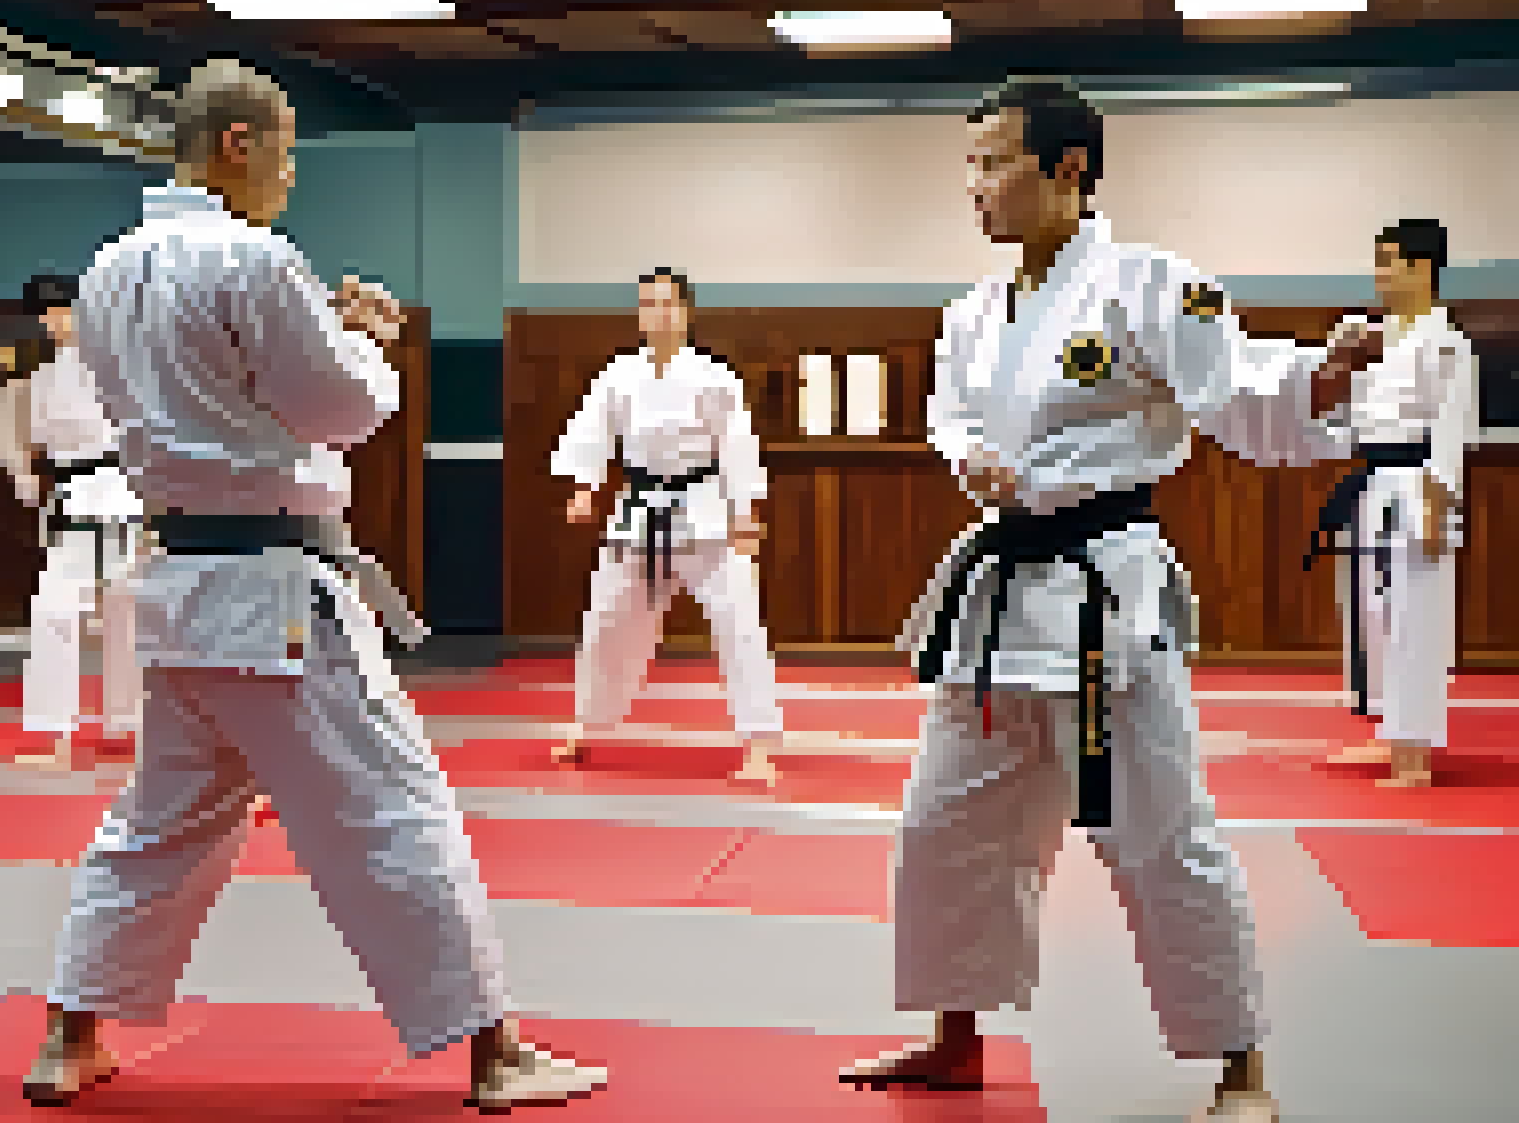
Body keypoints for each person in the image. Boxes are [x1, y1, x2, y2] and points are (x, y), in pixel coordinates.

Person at [22, 57, 605, 1111]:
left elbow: (222, 394)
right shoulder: (253, 258)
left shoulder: (105, 271)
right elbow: (339, 408)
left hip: (178, 592)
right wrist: (371, 342)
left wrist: (313, 332)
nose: (290, 180)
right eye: (286, 155)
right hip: (273, 596)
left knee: (159, 822)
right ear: (238, 145)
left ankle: (70, 1035)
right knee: (397, 813)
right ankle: (496, 1050)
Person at [841, 78, 1393, 1122]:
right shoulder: (971, 313)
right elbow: (950, 417)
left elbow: (1236, 389)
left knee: (1157, 833)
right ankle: (954, 1034)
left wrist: (1321, 377)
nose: (977, 186)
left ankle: (1241, 1066)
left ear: (1069, 168)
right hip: (999, 596)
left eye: (995, 161)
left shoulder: (1149, 285)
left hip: (1104, 601)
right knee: (944, 822)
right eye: (969, 164)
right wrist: (975, 465)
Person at [551, 268, 781, 783]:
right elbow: (592, 433)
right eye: (647, 303)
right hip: (637, 510)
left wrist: (745, 515)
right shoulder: (617, 375)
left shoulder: (715, 376)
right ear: (639, 313)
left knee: (738, 622)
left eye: (667, 303)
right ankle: (586, 725)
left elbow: (738, 445)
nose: (657, 312)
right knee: (605, 618)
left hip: (704, 510)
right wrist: (586, 489)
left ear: (685, 312)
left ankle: (759, 743)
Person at [1309, 220, 1475, 789]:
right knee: (1372, 617)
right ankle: (1392, 737)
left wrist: (1435, 503)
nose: (1379, 273)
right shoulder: (1370, 337)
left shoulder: (1446, 341)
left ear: (1422, 268)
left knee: (1416, 621)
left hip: (1417, 486)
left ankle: (1416, 755)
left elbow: (1450, 430)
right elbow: (1343, 418)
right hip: (1372, 486)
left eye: (1388, 261)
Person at [0, 272, 143, 768]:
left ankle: (130, 724)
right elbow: (24, 441)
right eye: (47, 313)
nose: (55, 321)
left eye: (64, 310)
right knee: (55, 609)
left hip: (126, 495)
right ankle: (52, 730)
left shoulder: (126, 370)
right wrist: (24, 477)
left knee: (129, 609)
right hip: (73, 496)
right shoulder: (35, 378)